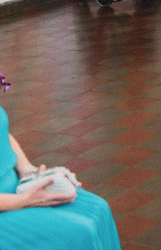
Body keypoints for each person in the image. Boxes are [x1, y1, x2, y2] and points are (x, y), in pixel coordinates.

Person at [0, 85, 122, 249]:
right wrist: (23, 201)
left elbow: (3, 132)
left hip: (17, 187)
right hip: (8, 203)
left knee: (98, 208)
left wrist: (27, 171)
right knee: (79, 231)